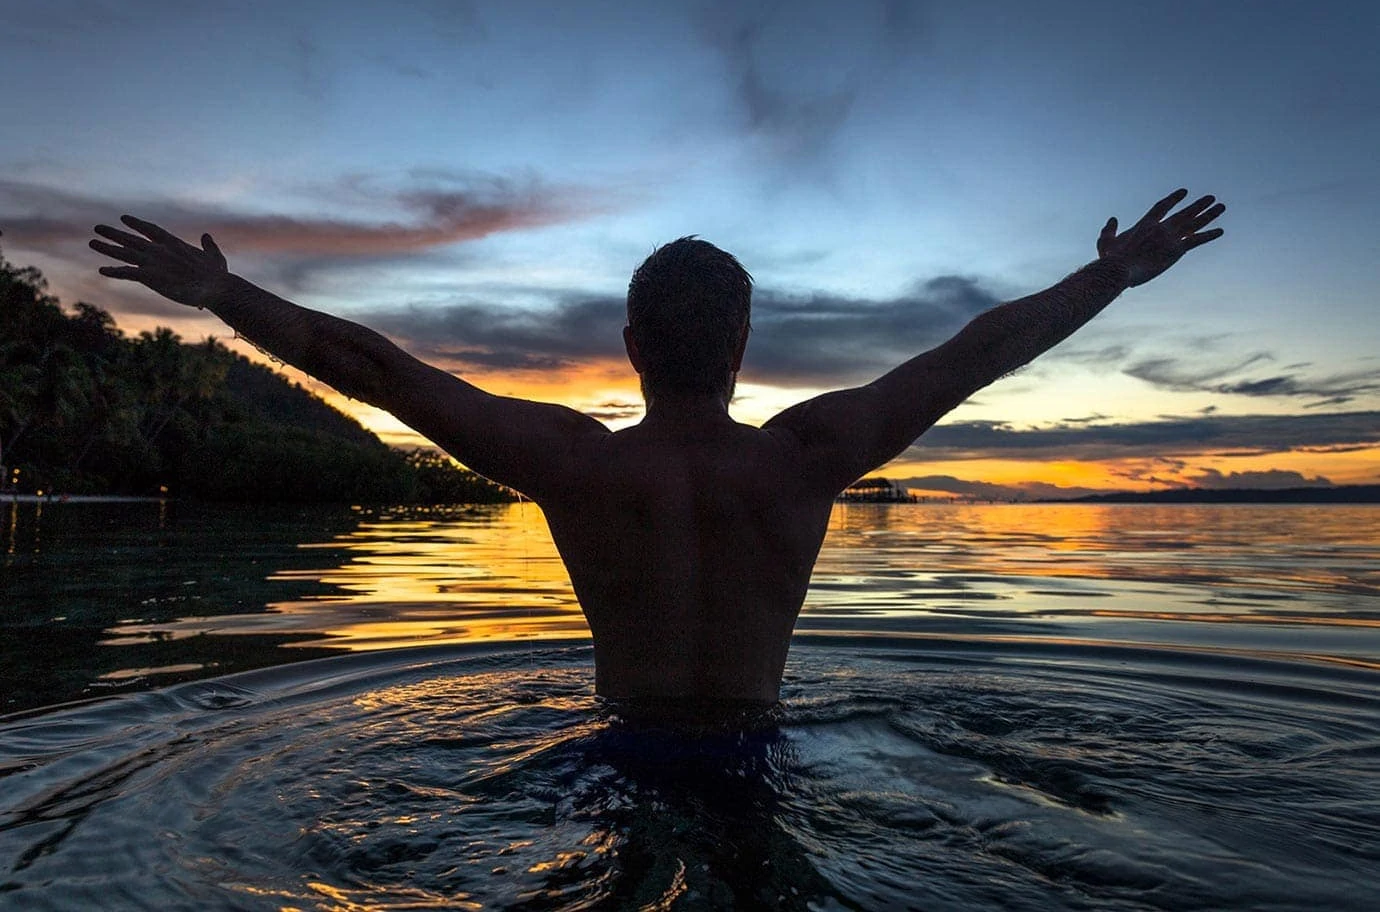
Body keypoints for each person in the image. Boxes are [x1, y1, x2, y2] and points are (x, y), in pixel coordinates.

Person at [90, 189, 1224, 705]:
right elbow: (975, 352)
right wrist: (1110, 275)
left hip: (616, 758)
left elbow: (381, 370)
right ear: (743, 343)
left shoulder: (574, 464)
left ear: (631, 344)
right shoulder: (805, 455)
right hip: (758, 762)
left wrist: (225, 294)